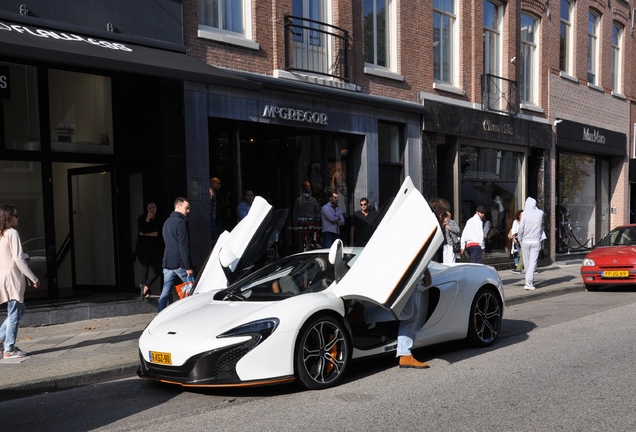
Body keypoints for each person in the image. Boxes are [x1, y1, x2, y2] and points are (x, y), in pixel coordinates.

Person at [358, 268, 433, 369]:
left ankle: (405, 355)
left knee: (412, 314)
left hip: (409, 274)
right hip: (402, 273)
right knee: (407, 313)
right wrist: (426, 273)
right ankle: (363, 314)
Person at [0, 204, 40, 359]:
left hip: (3, 275)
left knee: (18, 310)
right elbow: (17, 259)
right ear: (9, 217)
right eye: (16, 215)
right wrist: (33, 278)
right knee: (15, 312)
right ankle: (9, 348)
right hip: (13, 276)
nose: (18, 218)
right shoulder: (12, 233)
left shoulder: (1, 234)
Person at [159, 197, 193, 313]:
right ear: (178, 207)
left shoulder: (167, 222)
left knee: (165, 291)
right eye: (186, 208)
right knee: (191, 289)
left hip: (168, 262)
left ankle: (160, 314)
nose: (188, 210)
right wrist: (188, 267)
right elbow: (183, 245)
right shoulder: (181, 222)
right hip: (180, 263)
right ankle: (189, 313)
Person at [136, 201, 162, 300]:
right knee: (144, 269)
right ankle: (144, 292)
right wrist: (147, 219)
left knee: (159, 267)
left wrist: (146, 234)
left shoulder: (158, 219)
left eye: (153, 207)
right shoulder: (142, 218)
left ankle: (146, 286)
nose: (152, 210)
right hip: (142, 247)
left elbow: (157, 233)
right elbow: (142, 230)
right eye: (149, 208)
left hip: (154, 246)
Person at [517, 197, 544, 290]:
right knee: (533, 262)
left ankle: (528, 282)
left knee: (527, 262)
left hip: (525, 241)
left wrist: (520, 239)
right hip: (536, 241)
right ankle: (529, 282)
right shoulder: (540, 213)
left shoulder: (524, 214)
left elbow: (520, 229)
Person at [293, 181, 320, 251]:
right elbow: (295, 214)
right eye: (305, 186)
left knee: (313, 242)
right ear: (302, 188)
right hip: (301, 225)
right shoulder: (298, 200)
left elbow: (317, 212)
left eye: (308, 186)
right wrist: (296, 226)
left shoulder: (314, 200)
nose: (307, 188)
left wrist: (317, 224)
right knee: (301, 242)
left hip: (311, 224)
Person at [509, 210, 524, 274]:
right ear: (519, 215)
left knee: (521, 253)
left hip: (523, 238)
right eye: (522, 214)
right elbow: (513, 230)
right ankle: (517, 265)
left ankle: (519, 267)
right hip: (517, 238)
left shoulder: (524, 221)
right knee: (516, 252)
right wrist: (514, 239)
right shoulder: (515, 222)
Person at [209, 177, 222, 246]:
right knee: (213, 235)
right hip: (211, 217)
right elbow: (209, 206)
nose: (219, 185)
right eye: (218, 184)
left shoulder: (214, 192)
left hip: (213, 216)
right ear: (212, 184)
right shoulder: (210, 193)